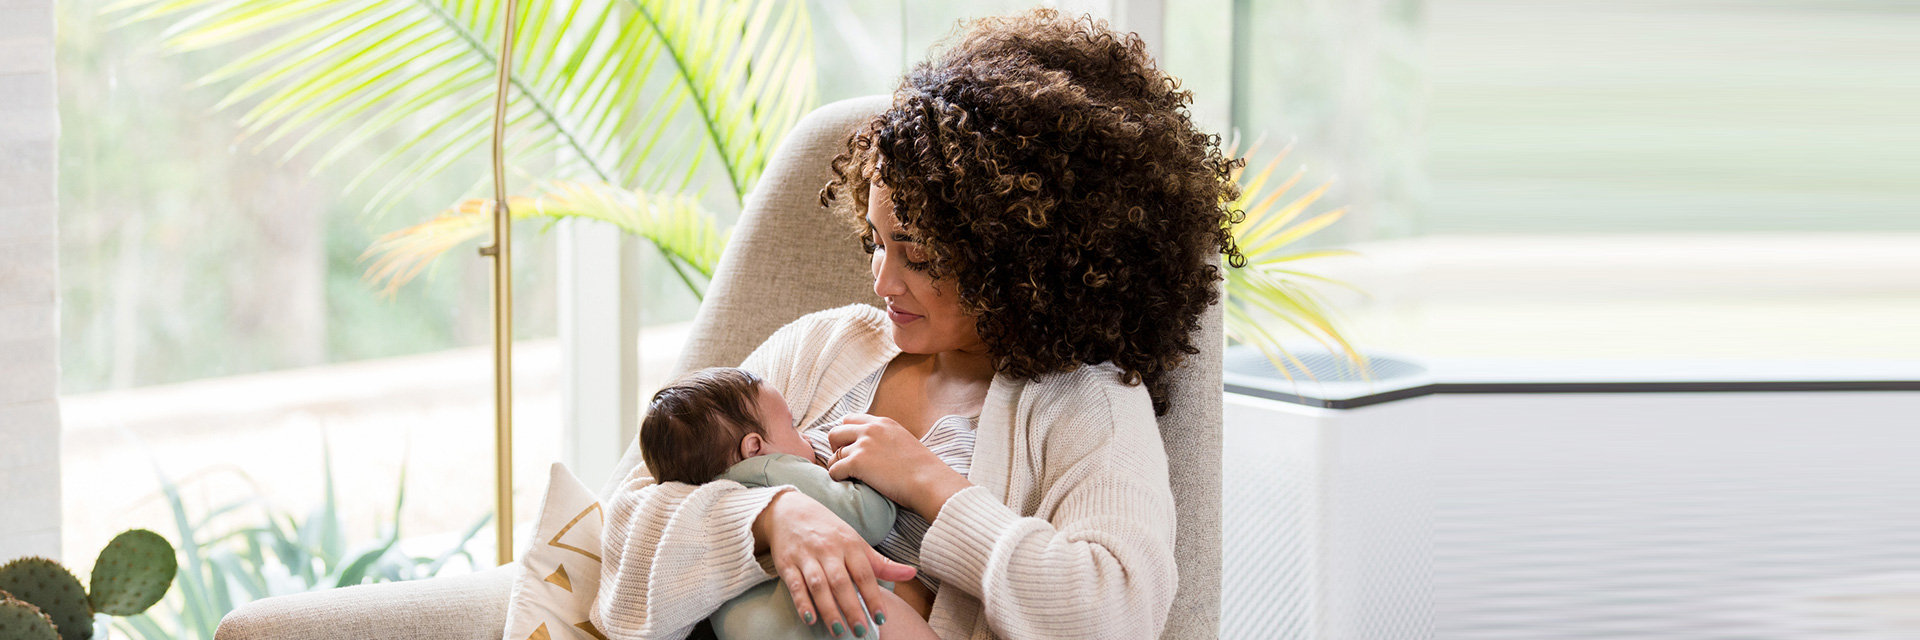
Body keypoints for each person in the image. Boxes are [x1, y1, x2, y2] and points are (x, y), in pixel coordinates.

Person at [593, 8, 1244, 640]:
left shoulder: (1086, 405)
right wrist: (772, 515)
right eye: (876, 241)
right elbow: (624, 525)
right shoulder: (824, 346)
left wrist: (931, 484)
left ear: (1018, 255)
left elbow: (1114, 612)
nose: (882, 282)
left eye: (920, 255)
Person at [635, 367, 938, 640]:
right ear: (754, 446)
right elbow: (867, 519)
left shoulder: (705, 494)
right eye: (793, 426)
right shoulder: (775, 469)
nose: (805, 435)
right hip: (820, 618)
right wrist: (876, 474)